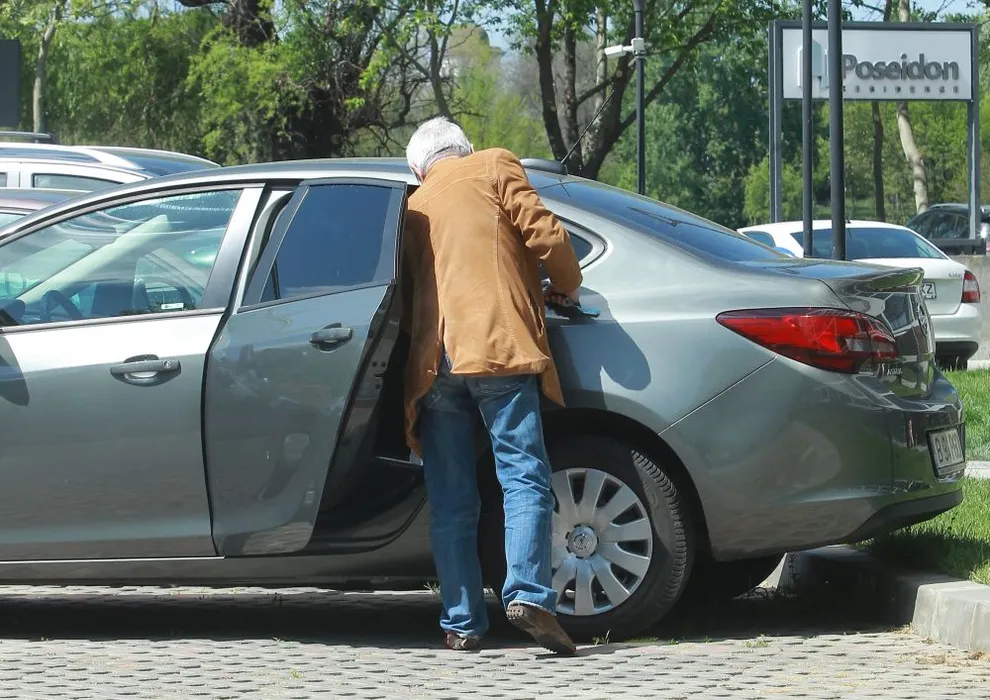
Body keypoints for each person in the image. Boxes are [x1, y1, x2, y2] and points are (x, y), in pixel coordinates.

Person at [400, 116, 583, 655]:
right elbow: (544, 233)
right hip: (494, 345)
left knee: (451, 497)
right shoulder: (494, 163)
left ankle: (461, 621)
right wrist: (568, 284)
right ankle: (527, 594)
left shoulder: (413, 205)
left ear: (419, 169)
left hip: (434, 363)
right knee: (523, 476)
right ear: (465, 147)